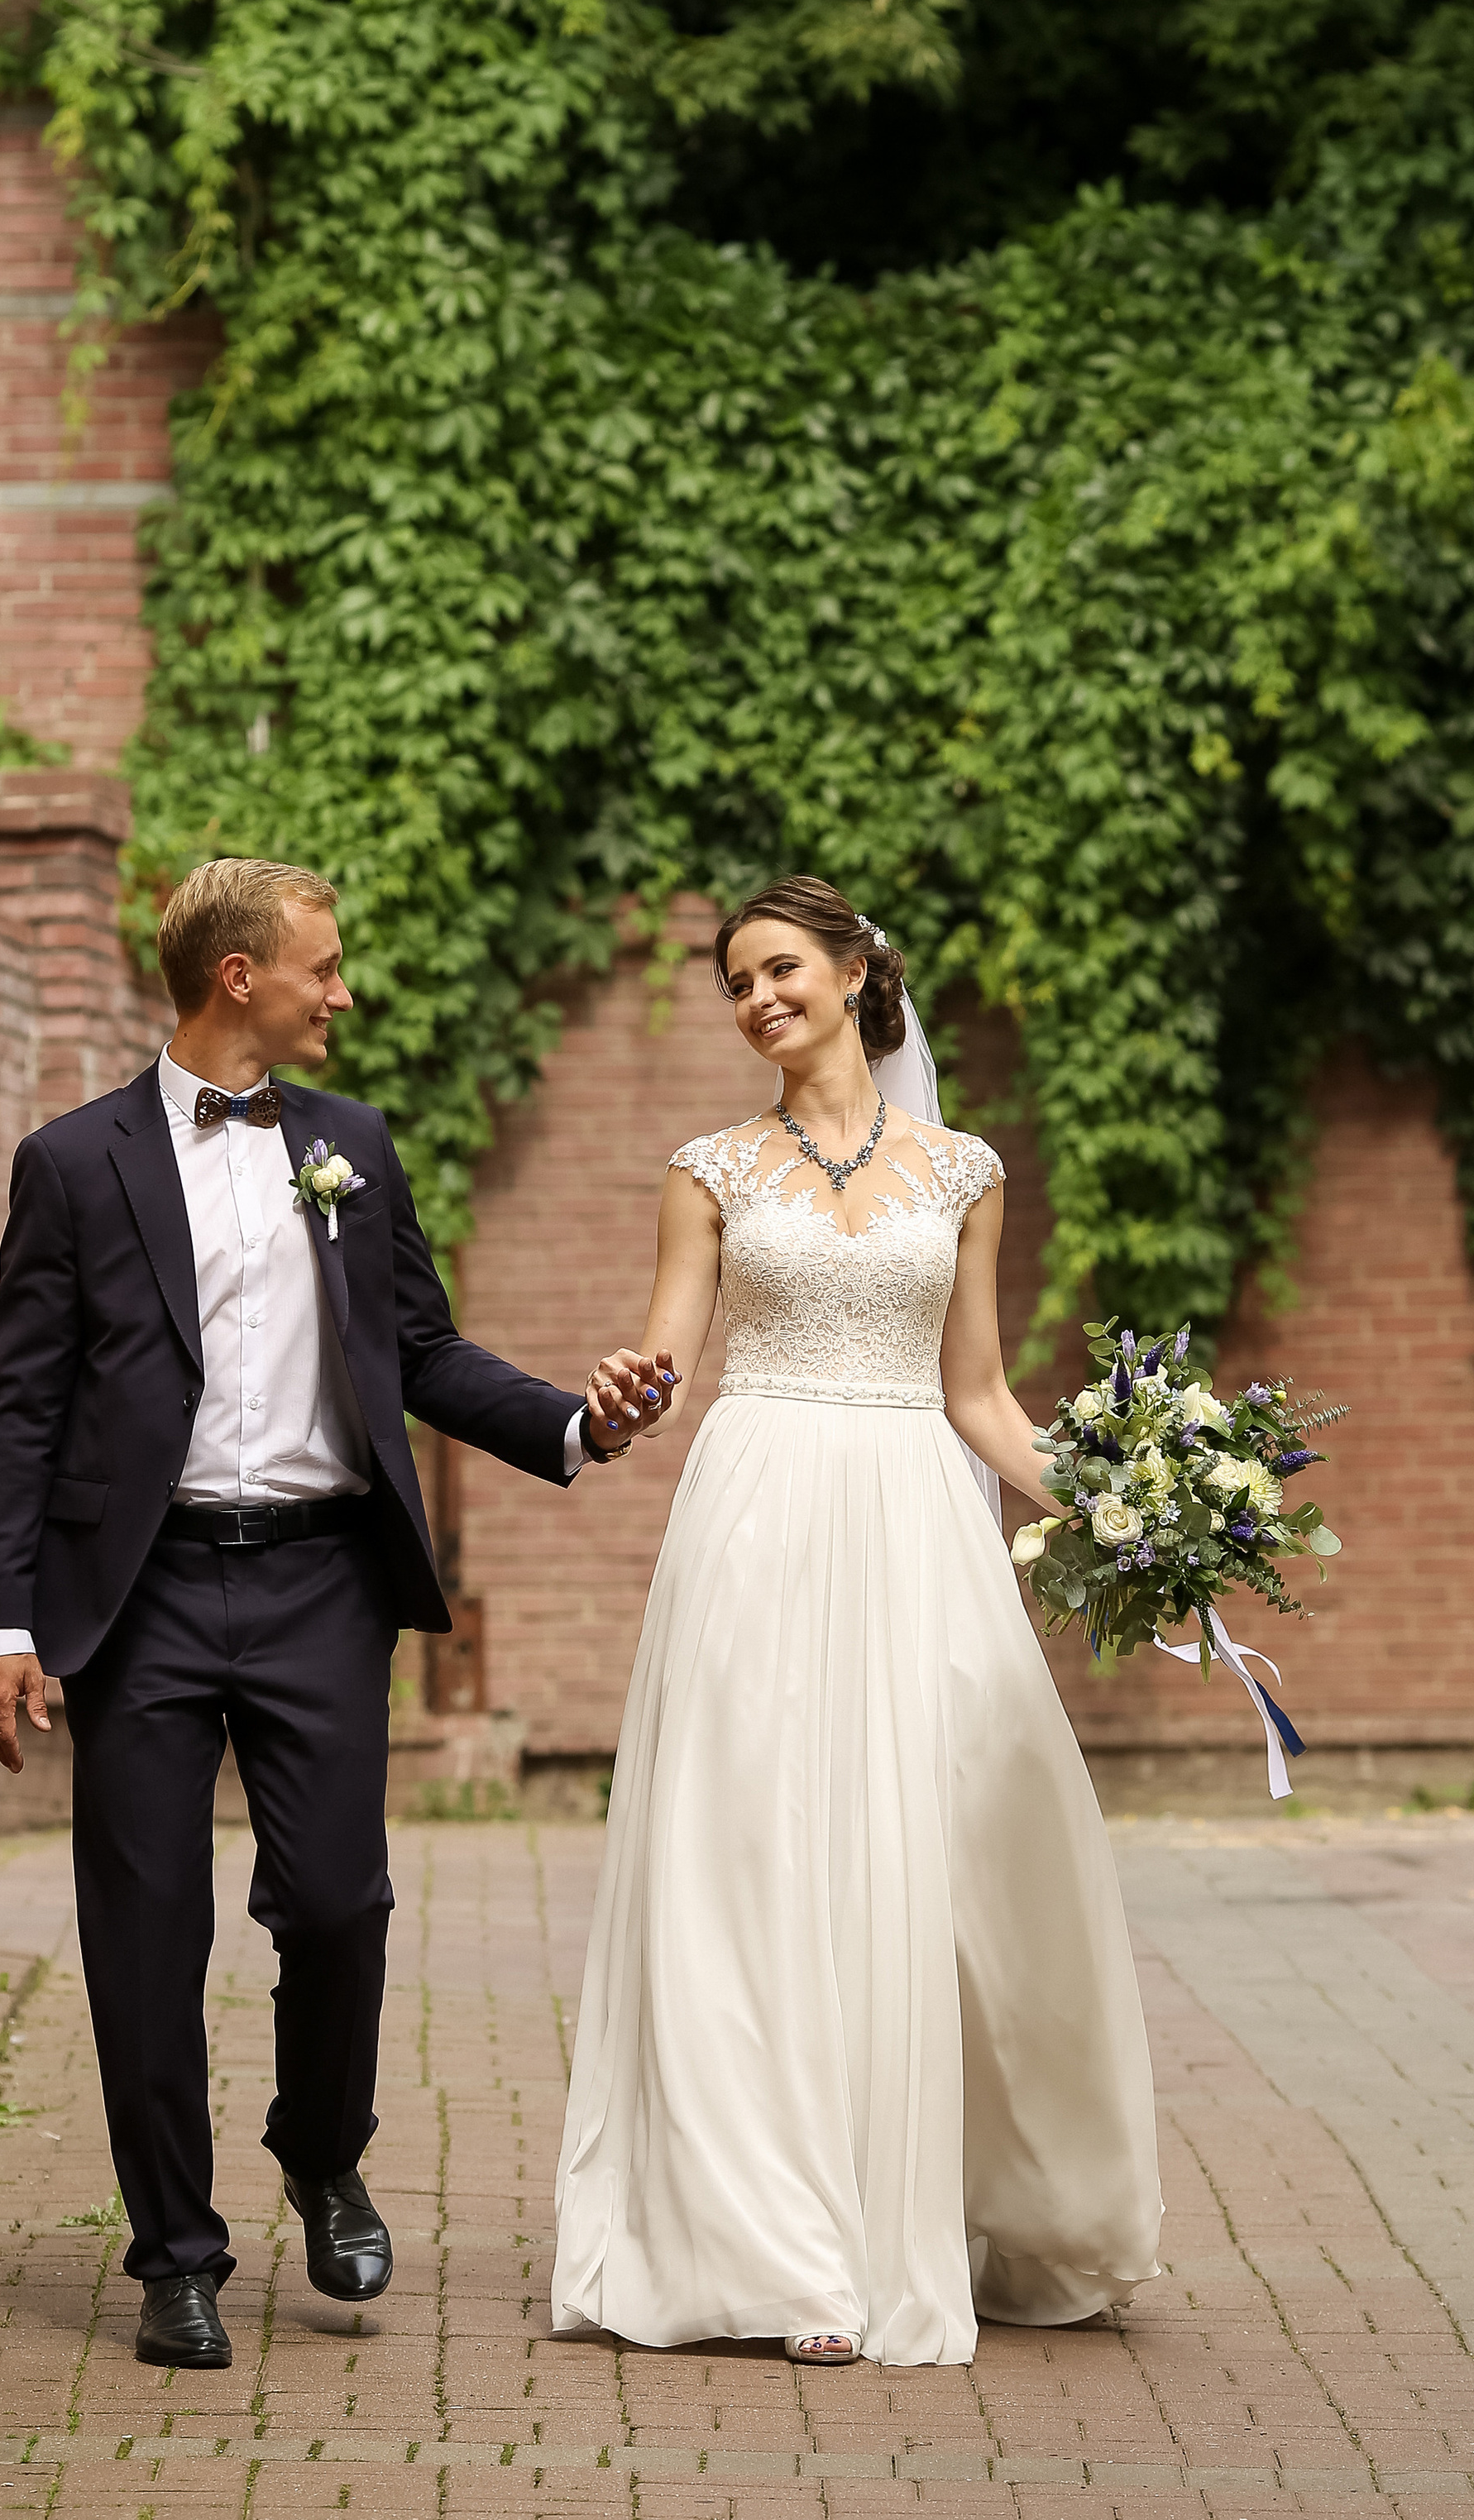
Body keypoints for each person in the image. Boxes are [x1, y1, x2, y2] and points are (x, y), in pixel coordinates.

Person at [0, 858, 670, 2374]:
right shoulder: (73, 1164)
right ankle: (176, 2256)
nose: (342, 991)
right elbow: (20, 1407)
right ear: (238, 977)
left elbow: (416, 1345)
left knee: (341, 1904)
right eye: (323, 967)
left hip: (318, 1581)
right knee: (144, 1934)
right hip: (137, 1595)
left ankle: (321, 2144)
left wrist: (574, 1429)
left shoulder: (350, 1144)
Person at [549, 876, 1161, 2368]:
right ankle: (779, 2245)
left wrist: (1124, 1505)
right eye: (736, 981)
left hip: (912, 1513)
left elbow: (981, 1395)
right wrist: (623, 1395)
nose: (759, 999)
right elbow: (668, 1352)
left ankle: (923, 2201)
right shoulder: (707, 1171)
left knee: (922, 1851)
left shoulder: (964, 1172)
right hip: (755, 1507)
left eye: (781, 970)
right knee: (754, 1851)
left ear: (853, 972)